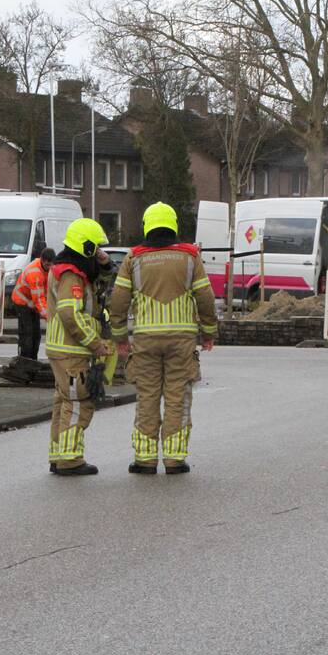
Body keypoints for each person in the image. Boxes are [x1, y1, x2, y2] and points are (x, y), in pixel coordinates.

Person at [108, 202, 218, 475]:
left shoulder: (133, 258)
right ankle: (174, 459)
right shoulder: (190, 257)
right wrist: (208, 332)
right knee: (178, 397)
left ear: (147, 225)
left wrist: (119, 336)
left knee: (147, 397)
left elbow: (119, 300)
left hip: (145, 340)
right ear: (173, 225)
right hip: (181, 340)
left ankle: (144, 460)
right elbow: (205, 297)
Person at [44, 219, 114, 476]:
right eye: (96, 248)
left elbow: (99, 285)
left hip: (62, 348)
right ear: (86, 247)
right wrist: (96, 344)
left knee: (63, 402)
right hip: (71, 350)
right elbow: (70, 314)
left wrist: (105, 265)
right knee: (80, 402)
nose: (98, 252)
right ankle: (70, 459)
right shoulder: (71, 275)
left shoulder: (71, 268)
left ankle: (58, 455)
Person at [10, 248, 55, 360]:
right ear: (42, 260)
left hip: (32, 303)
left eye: (51, 264)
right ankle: (24, 361)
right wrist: (49, 317)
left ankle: (33, 360)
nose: (49, 267)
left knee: (36, 335)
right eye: (47, 264)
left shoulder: (50, 269)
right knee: (27, 334)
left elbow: (47, 292)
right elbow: (39, 299)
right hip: (22, 302)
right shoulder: (35, 273)